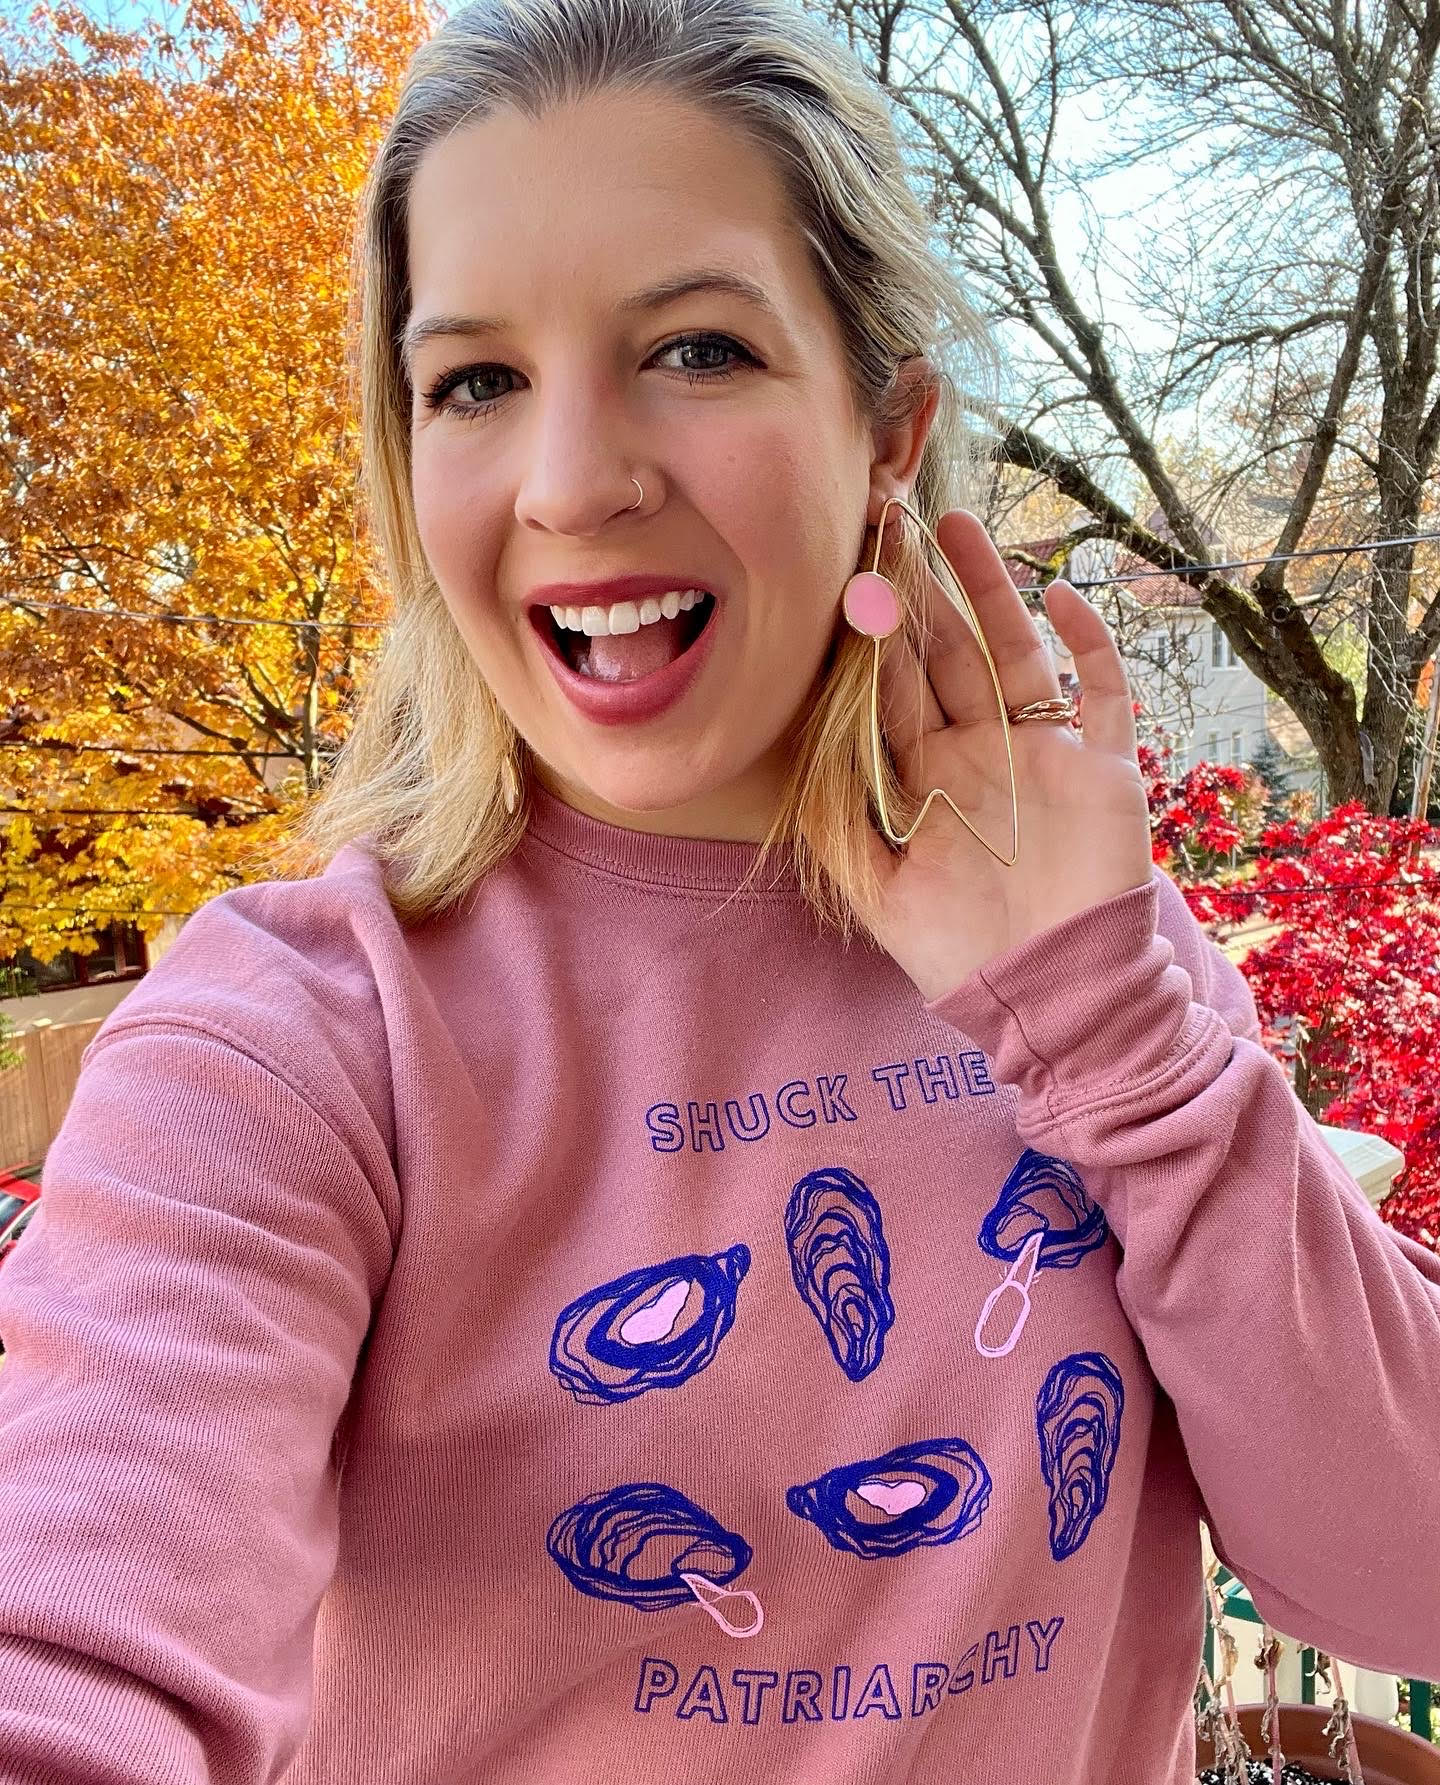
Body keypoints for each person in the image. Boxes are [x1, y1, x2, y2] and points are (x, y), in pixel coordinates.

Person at [1, 1, 1437, 1780]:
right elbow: (64, 1644)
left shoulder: (1080, 948)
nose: (575, 478)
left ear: (889, 426)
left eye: (693, 348)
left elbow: (1406, 1571)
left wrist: (1112, 1024)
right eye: (476, 381)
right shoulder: (302, 1037)